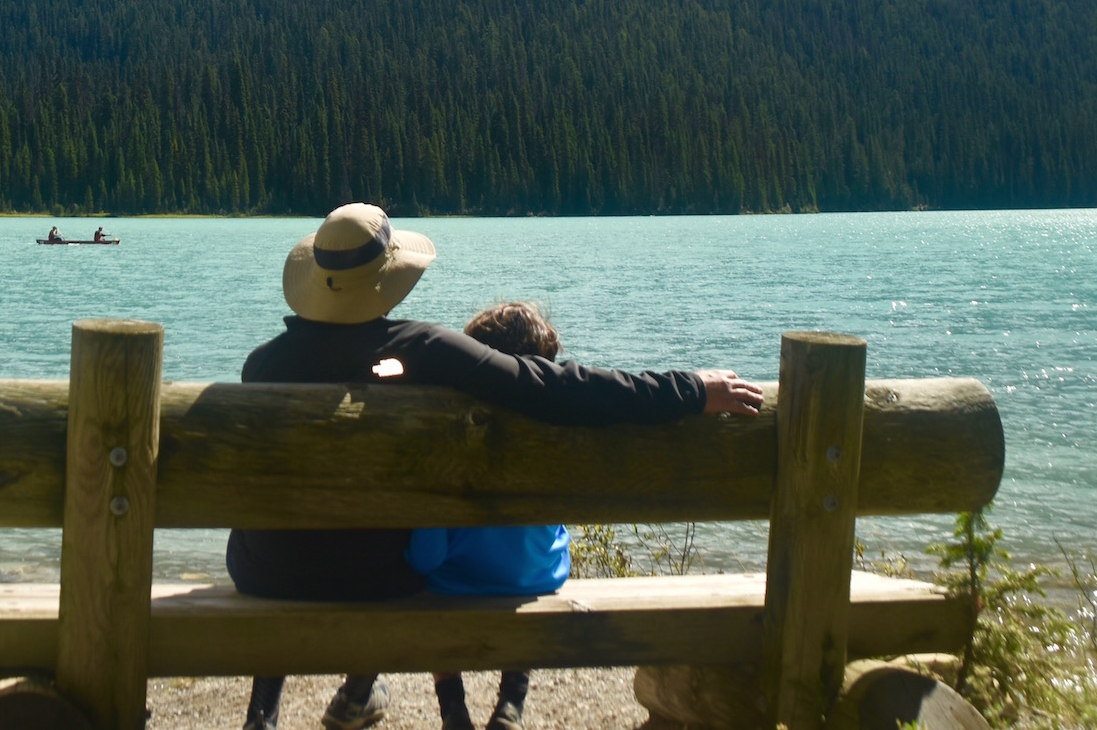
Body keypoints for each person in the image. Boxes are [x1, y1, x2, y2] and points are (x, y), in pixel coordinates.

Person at [229, 204, 763, 730]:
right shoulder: (422, 349)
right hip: (379, 581)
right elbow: (553, 387)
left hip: (264, 575)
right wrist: (692, 390)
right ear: (387, 278)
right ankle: (368, 691)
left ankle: (270, 714)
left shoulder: (263, 364)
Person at [408, 302, 568, 730]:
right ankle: (512, 702)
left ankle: (453, 709)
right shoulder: (555, 431)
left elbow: (425, 557)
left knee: (427, 580)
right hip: (537, 577)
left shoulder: (451, 436)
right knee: (529, 561)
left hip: (456, 586)